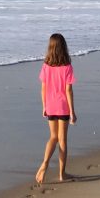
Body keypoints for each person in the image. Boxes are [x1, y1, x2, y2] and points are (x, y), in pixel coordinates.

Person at [35, 33, 77, 185]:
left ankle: (45, 163)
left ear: (50, 48)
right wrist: (72, 111)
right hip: (63, 107)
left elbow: (43, 88)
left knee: (52, 137)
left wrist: (44, 106)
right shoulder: (67, 66)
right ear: (64, 47)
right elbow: (68, 91)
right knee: (62, 141)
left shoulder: (46, 65)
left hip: (51, 106)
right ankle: (62, 174)